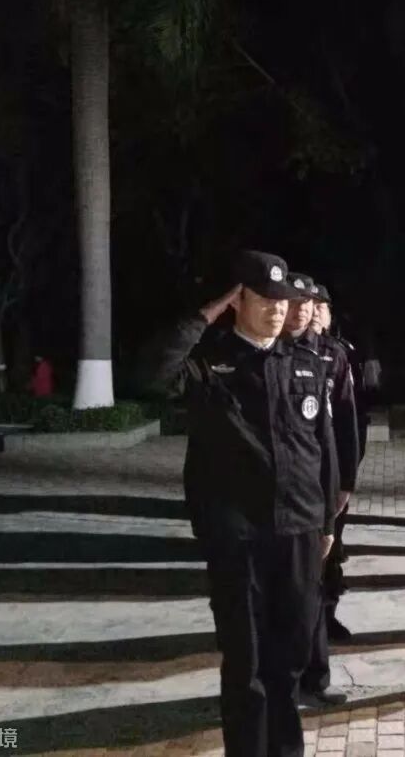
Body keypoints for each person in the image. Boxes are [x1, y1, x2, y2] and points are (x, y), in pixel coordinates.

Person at [145, 250, 339, 757]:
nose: (278, 309)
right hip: (239, 537)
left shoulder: (304, 363)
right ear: (238, 300)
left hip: (298, 530)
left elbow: (322, 446)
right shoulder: (211, 365)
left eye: (283, 300)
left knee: (290, 656)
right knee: (246, 662)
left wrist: (326, 522)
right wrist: (205, 314)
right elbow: (151, 376)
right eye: (264, 299)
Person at [288, 275, 360, 707]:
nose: (309, 311)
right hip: (282, 493)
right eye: (299, 303)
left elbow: (344, 427)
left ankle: (316, 674)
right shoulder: (270, 355)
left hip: (321, 487)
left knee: (317, 580)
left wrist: (345, 481)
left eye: (316, 304)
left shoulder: (332, 356)